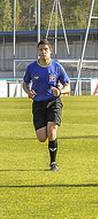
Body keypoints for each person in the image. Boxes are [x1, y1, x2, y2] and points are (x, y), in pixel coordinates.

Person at [22, 39, 70, 172]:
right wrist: (28, 91)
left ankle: (53, 163)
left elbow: (68, 86)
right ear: (38, 51)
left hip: (53, 102)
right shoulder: (31, 68)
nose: (43, 52)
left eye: (46, 50)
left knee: (52, 129)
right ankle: (50, 138)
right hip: (38, 104)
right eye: (41, 50)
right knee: (42, 137)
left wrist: (59, 91)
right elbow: (25, 83)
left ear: (50, 51)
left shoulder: (57, 67)